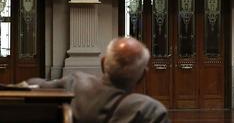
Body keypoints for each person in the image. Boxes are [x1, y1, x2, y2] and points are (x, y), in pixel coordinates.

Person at [27, 37, 169, 123]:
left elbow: (31, 85)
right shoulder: (151, 111)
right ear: (143, 75)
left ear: (103, 63)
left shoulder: (75, 83)